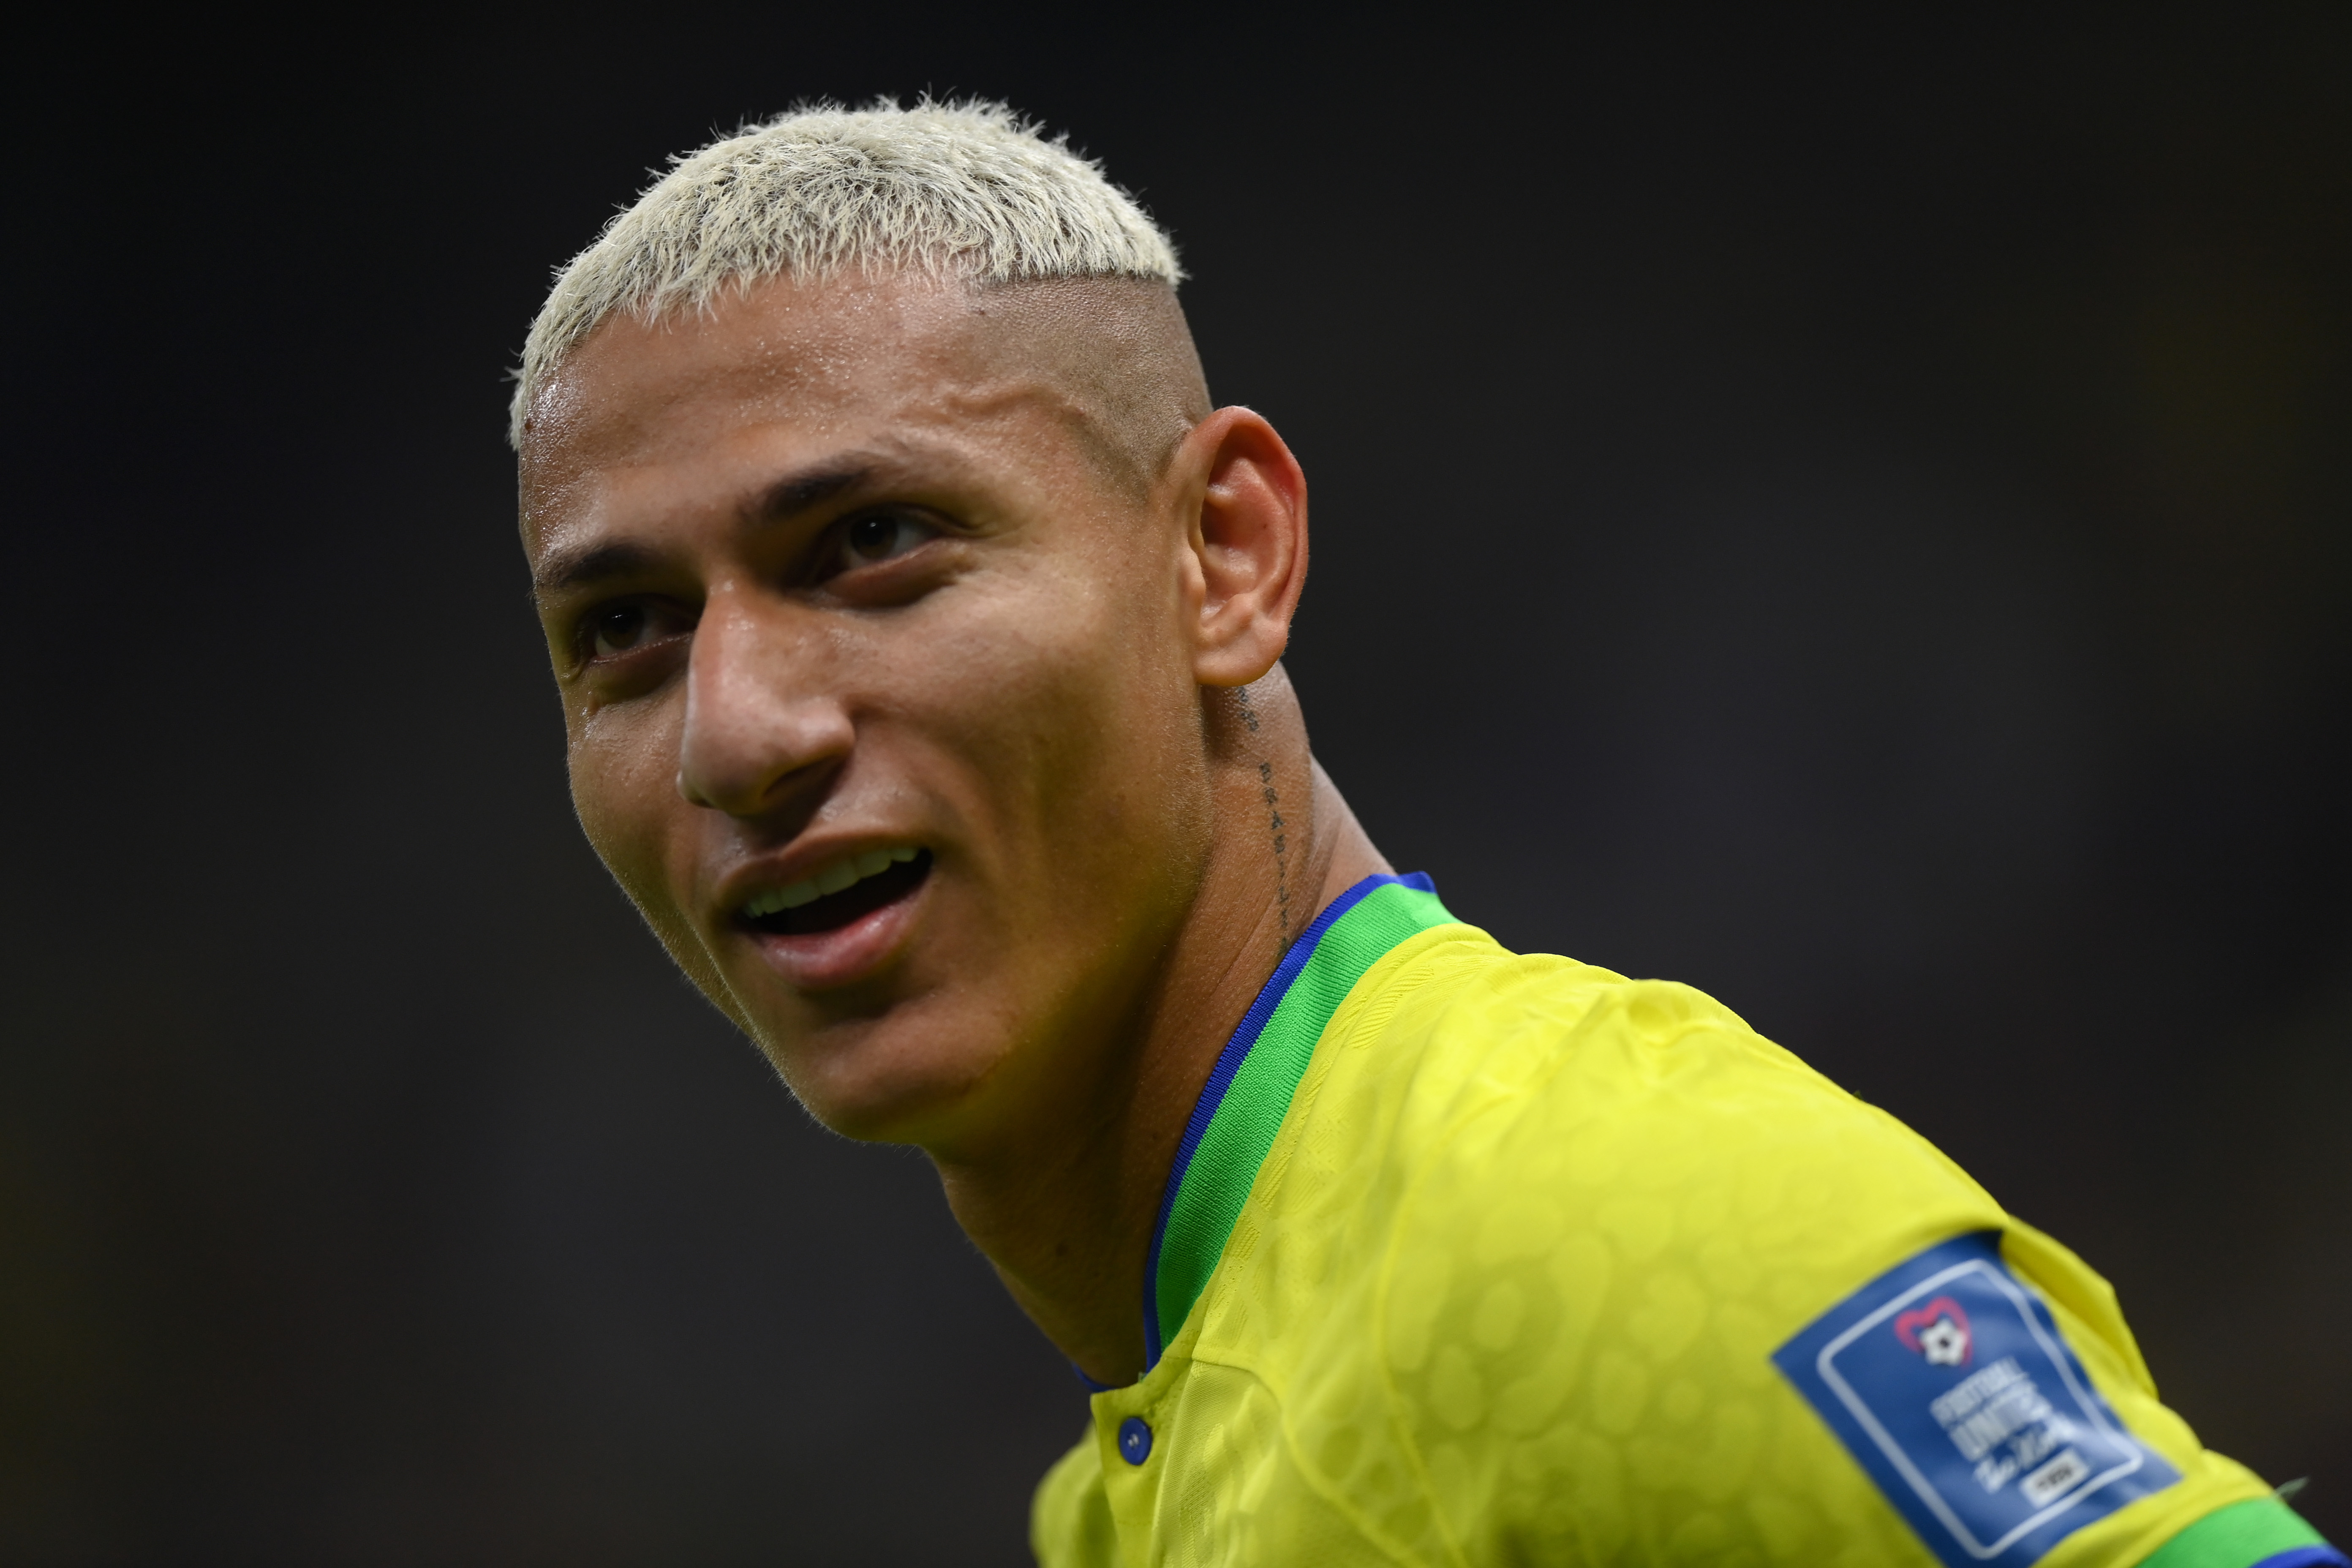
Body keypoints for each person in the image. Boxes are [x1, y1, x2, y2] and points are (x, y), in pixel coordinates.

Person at [507, 100, 2342, 1568]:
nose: (738, 734)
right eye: (628, 631)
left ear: (1223, 556)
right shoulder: (1136, 1478)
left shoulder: (1607, 1234)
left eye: (872, 545)